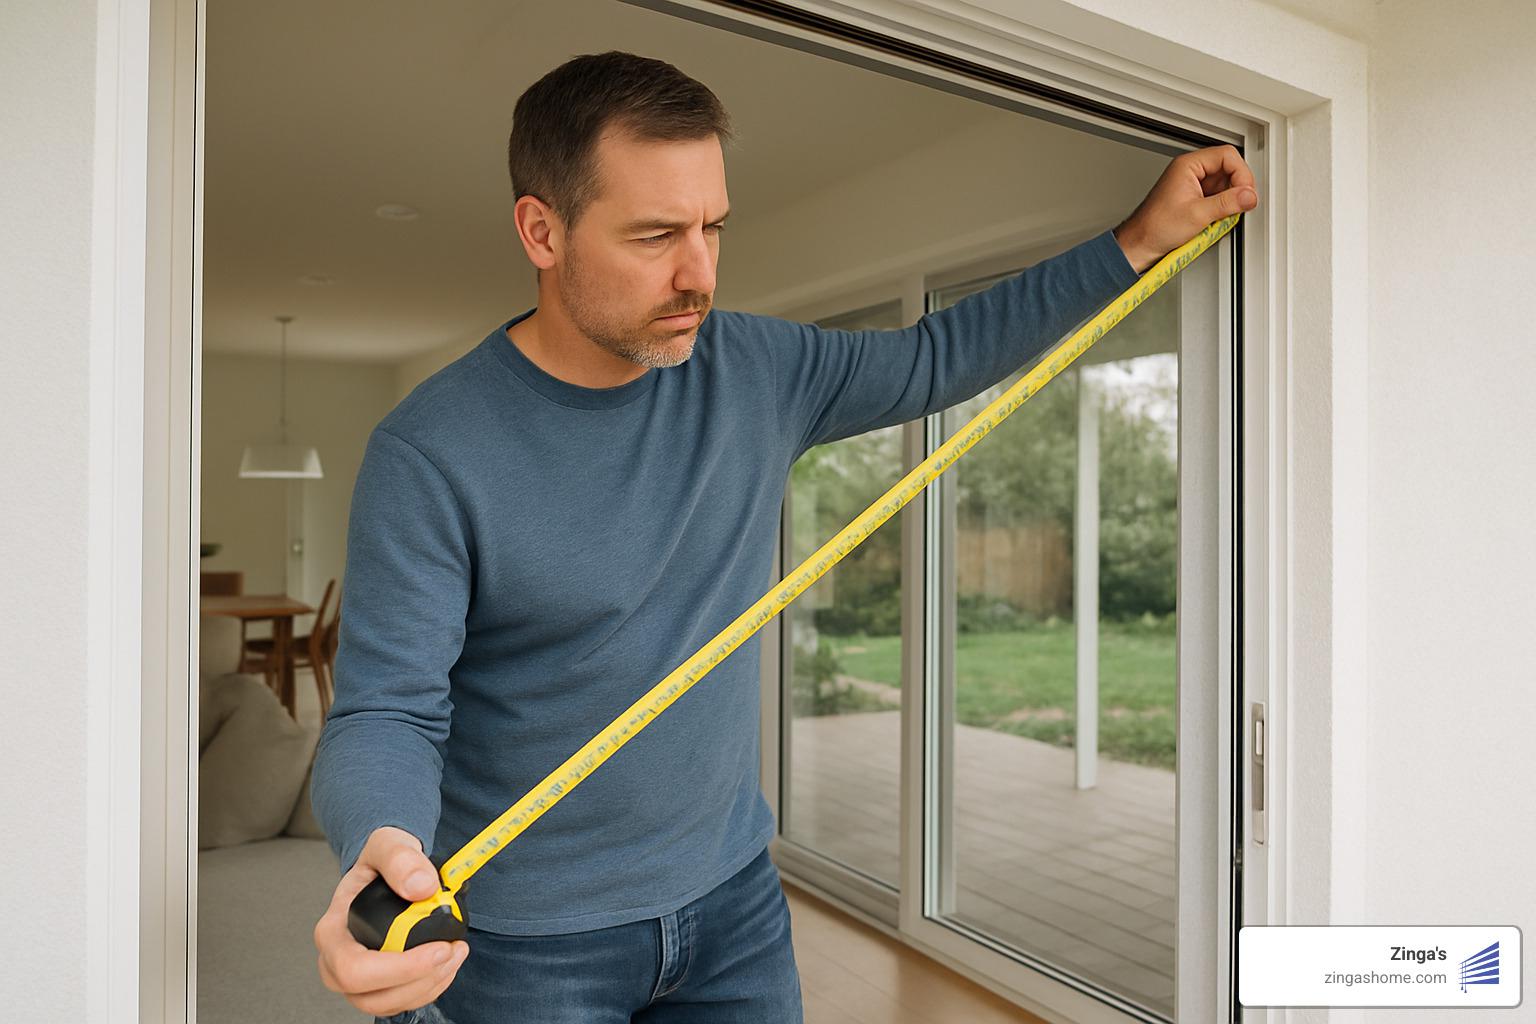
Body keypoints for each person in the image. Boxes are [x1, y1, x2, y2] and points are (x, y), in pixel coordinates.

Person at [309, 50, 1257, 1024]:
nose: (699, 274)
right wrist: (379, 842)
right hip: (524, 945)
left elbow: (938, 356)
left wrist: (1141, 240)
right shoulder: (431, 450)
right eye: (655, 235)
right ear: (540, 230)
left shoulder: (759, 369)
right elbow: (388, 711)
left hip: (733, 911)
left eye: (713, 227)